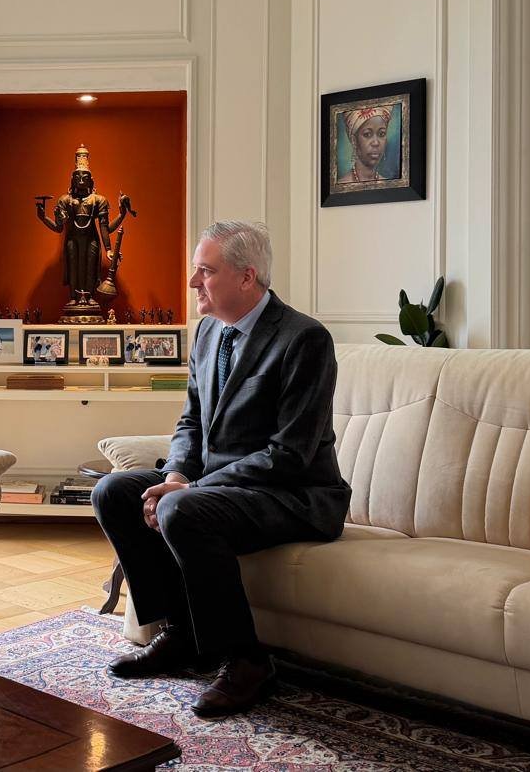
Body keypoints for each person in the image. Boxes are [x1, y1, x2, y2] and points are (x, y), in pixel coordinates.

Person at [91, 220, 349, 718]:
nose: (193, 283)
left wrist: (190, 489)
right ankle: (183, 635)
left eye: (205, 272)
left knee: (182, 510)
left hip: (292, 494)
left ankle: (248, 662)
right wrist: (176, 476)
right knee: (113, 492)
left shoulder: (304, 339)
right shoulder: (209, 332)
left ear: (247, 277)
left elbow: (289, 453)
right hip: (218, 488)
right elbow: (191, 420)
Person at [343, 105, 392, 182]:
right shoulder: (343, 183)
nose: (376, 143)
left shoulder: (388, 183)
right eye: (367, 134)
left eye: (381, 134)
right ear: (354, 140)